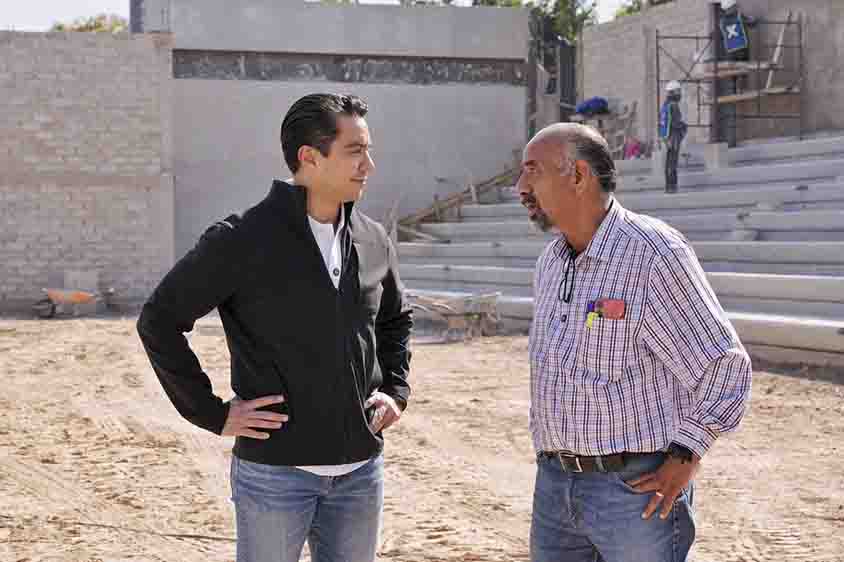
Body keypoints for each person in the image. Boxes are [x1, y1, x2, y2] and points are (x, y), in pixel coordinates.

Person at [137, 93, 413, 562]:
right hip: (275, 478)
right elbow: (159, 321)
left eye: (368, 150)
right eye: (355, 151)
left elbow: (395, 320)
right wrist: (212, 413)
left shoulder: (371, 238)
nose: (369, 164)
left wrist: (395, 389)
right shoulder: (241, 239)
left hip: (362, 474)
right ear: (309, 157)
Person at [517, 122, 752, 562]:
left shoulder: (653, 254)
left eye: (533, 171)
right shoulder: (550, 263)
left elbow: (724, 364)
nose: (520, 186)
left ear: (579, 176)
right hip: (554, 487)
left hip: (634, 493)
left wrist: (687, 454)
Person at [659, 81, 688, 193]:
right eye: (678, 91)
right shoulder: (673, 106)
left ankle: (668, 186)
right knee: (672, 163)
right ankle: (672, 186)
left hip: (666, 138)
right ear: (673, 92)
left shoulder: (665, 106)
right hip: (673, 137)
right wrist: (684, 126)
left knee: (668, 162)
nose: (679, 94)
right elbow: (676, 123)